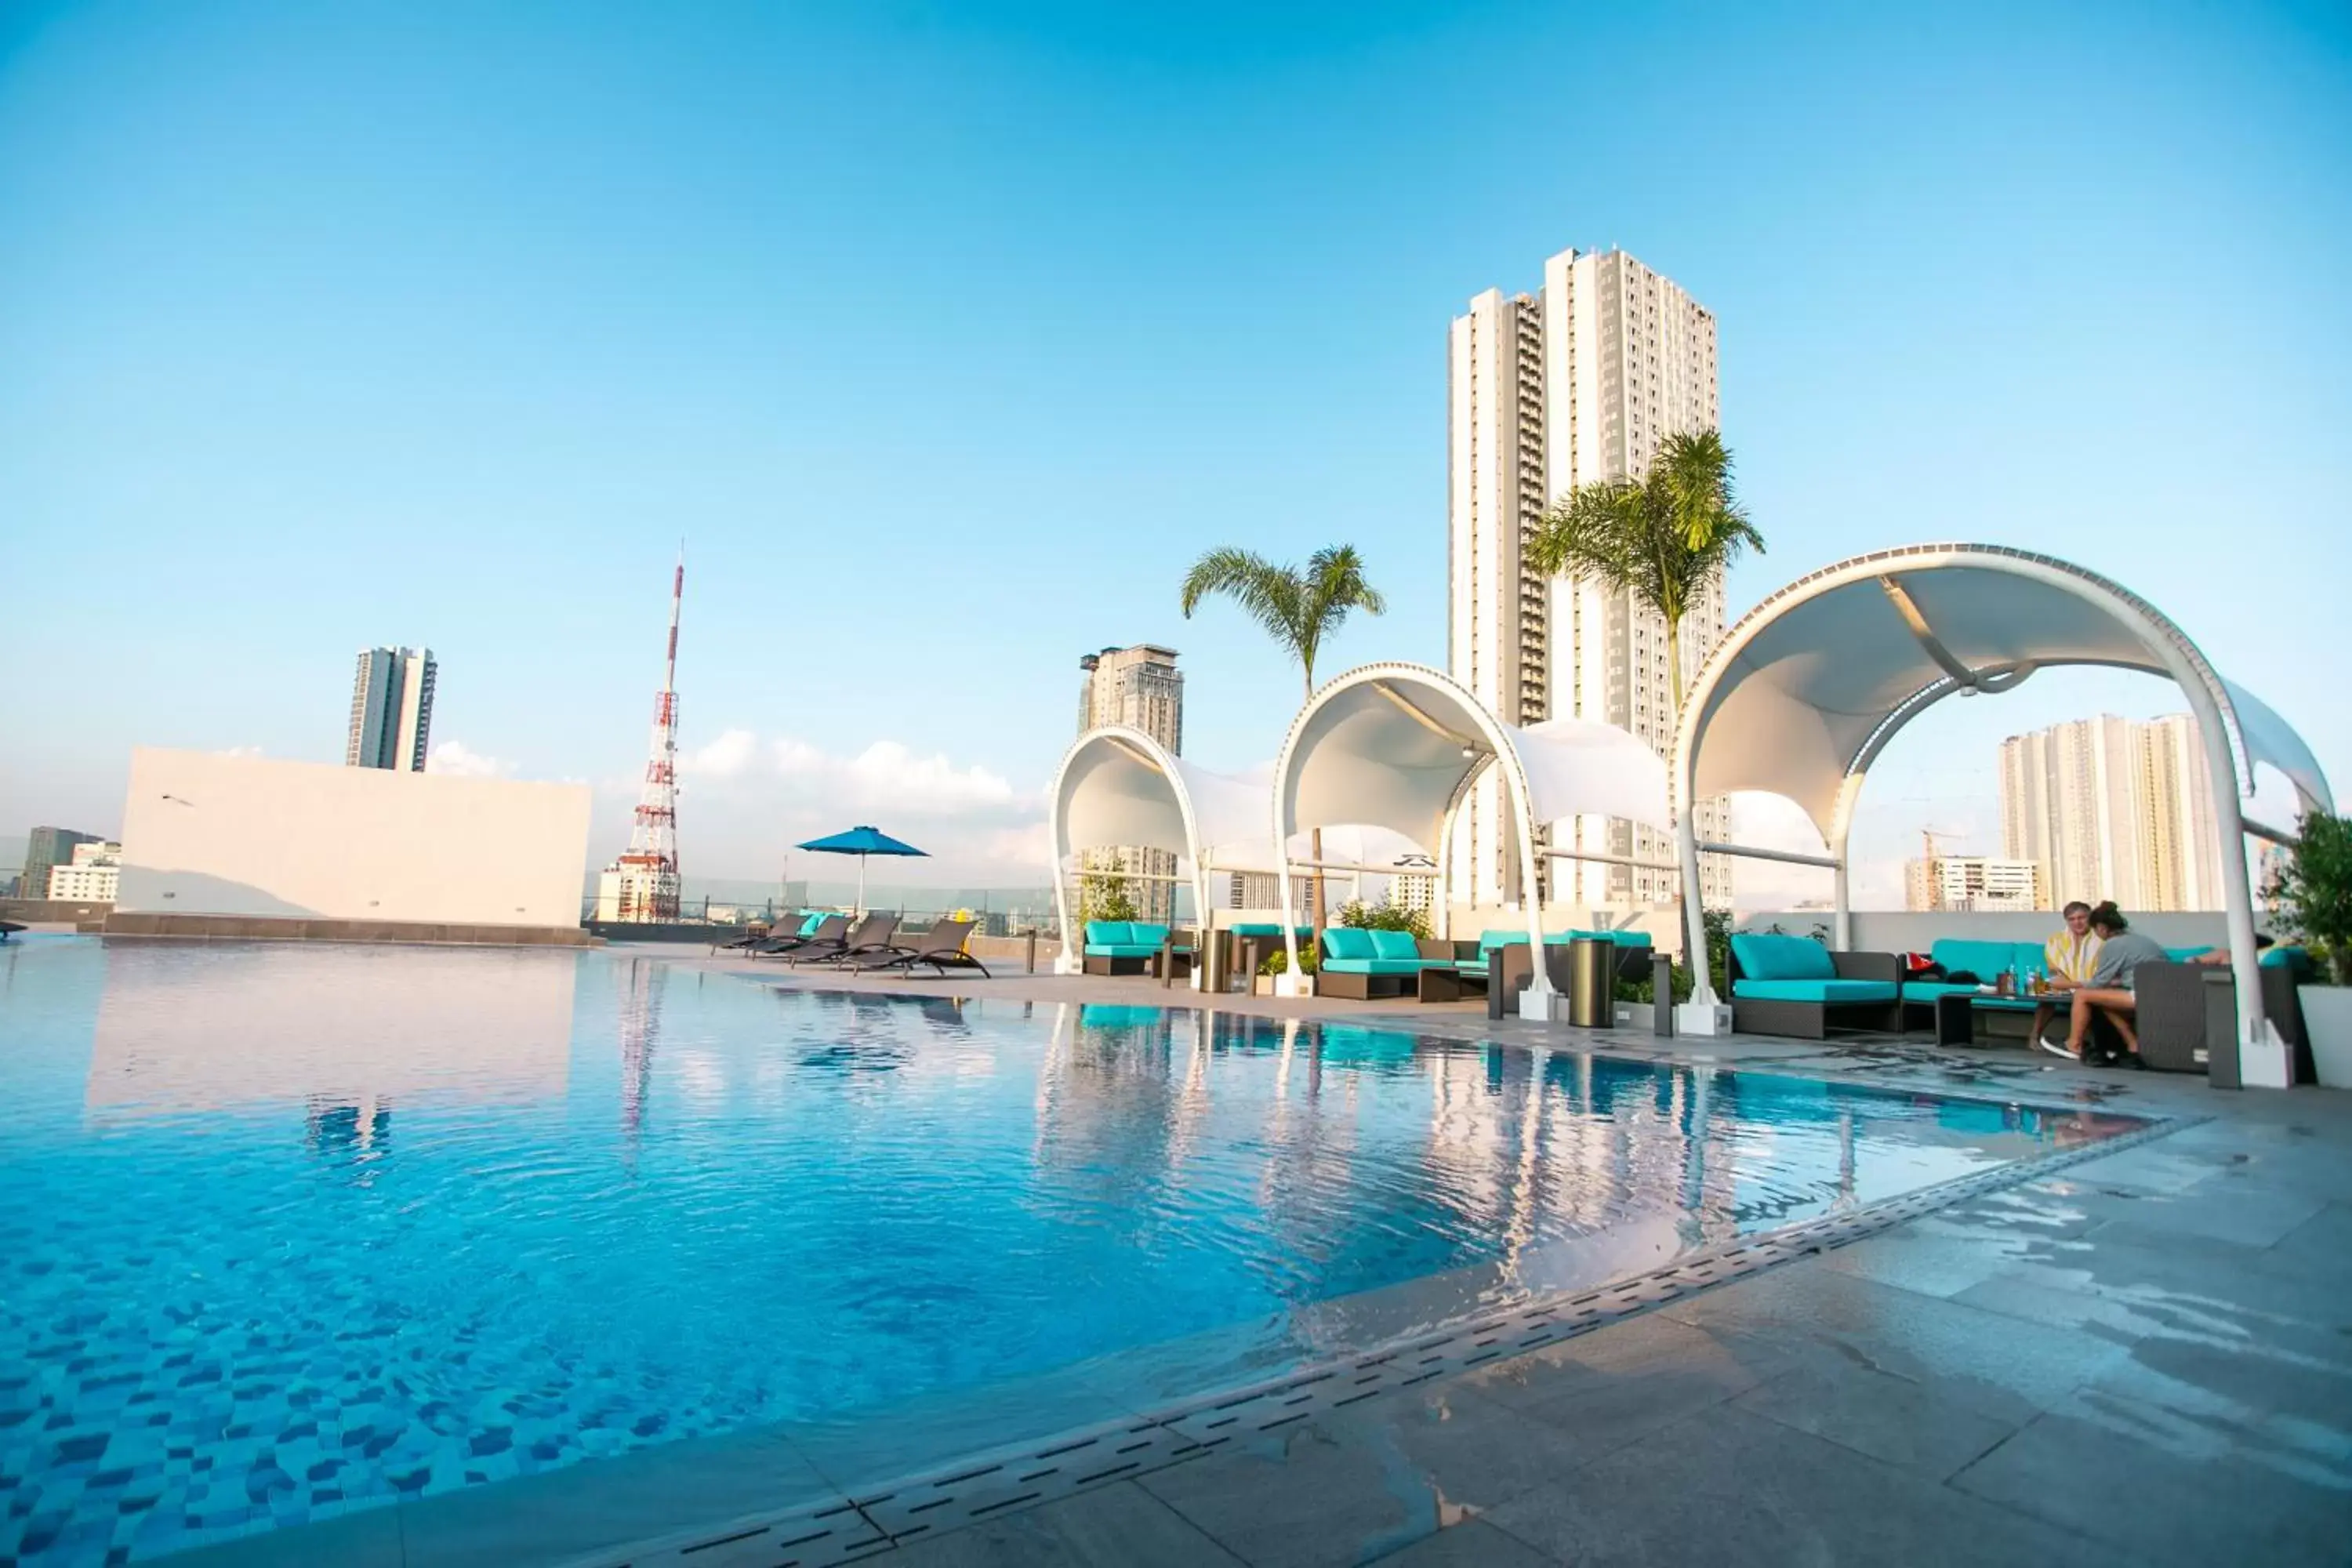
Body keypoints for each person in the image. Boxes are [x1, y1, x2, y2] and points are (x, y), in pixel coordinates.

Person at [2048, 902, 2168, 1065]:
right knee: (2104, 1001)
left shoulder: (2113, 945)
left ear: (2102, 928)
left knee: (2082, 995)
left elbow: (2098, 983)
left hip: (2142, 995)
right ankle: (2133, 1045)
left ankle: (2073, 1044)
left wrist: (2067, 985)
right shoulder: (2141, 940)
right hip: (2164, 992)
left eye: (2095, 929)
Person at [2030, 901, 2104, 1047]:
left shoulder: (2101, 940)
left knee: (2086, 997)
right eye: (2072, 919)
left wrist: (2074, 985)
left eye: (2081, 918)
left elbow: (2103, 972)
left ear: (2090, 918)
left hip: (2093, 985)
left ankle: (2079, 1042)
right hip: (2064, 984)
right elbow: (2054, 969)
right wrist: (2063, 983)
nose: (2077, 922)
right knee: (2047, 995)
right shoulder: (2056, 940)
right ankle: (2034, 1036)